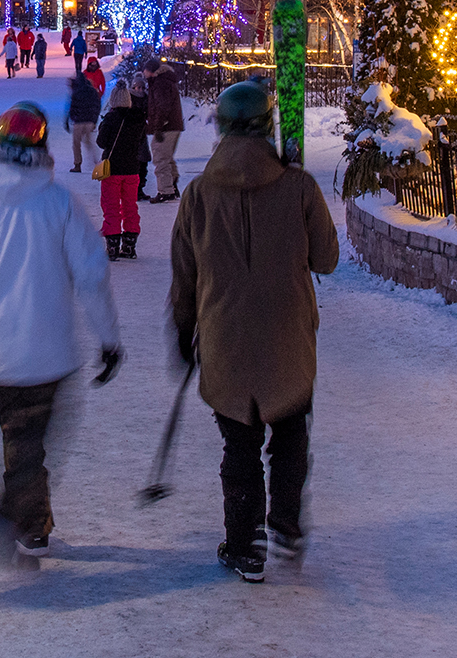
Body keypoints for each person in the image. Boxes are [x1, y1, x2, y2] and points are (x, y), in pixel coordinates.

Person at [169, 80, 339, 584]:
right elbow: (326, 259)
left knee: (239, 445)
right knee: (289, 435)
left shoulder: (199, 194)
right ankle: (284, 525)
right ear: (268, 125)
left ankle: (246, 544)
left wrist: (182, 333)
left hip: (225, 339)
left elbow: (185, 278)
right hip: (289, 337)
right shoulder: (299, 187)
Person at [0, 102, 121, 563]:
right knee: (32, 442)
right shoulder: (59, 203)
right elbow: (91, 275)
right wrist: (108, 339)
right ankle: (9, 519)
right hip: (50, 352)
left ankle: (33, 526)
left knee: (19, 439)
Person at [95, 82, 147, 260]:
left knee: (111, 206)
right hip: (133, 169)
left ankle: (113, 245)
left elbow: (101, 142)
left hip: (113, 170)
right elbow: (140, 141)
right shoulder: (139, 118)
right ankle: (130, 245)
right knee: (130, 206)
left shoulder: (111, 118)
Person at [143, 56, 184, 203]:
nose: (144, 72)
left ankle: (166, 191)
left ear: (152, 71)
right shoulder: (164, 81)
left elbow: (162, 107)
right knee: (166, 157)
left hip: (167, 127)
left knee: (160, 157)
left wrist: (158, 127)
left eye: (146, 70)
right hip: (172, 125)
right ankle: (171, 185)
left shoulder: (160, 84)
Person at [65, 72, 101, 173]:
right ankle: (96, 162)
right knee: (90, 141)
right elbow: (97, 106)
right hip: (89, 120)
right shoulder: (92, 91)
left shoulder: (76, 92)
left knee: (76, 143)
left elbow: (71, 107)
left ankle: (77, 164)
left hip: (79, 121)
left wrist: (71, 119)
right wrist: (94, 119)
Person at [129, 72, 151, 200]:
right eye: (138, 87)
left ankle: (140, 187)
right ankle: (134, 189)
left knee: (143, 162)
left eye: (142, 88)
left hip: (142, 134)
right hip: (132, 135)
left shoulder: (146, 99)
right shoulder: (129, 98)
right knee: (135, 161)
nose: (141, 90)